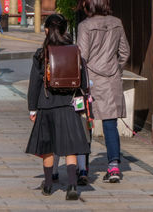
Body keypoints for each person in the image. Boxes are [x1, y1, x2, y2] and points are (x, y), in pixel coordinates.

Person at [25, 14, 90, 200]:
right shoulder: (75, 52)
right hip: (69, 105)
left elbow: (34, 85)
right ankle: (71, 185)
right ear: (64, 31)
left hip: (46, 105)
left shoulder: (41, 54)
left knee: (47, 147)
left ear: (47, 30)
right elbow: (83, 83)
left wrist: (32, 108)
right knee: (70, 147)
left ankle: (47, 184)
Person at [76, 0, 130, 183]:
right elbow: (124, 52)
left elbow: (81, 57)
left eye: (83, 0)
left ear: (90, 2)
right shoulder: (117, 23)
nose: (81, 4)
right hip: (111, 80)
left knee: (85, 125)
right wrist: (116, 69)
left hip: (90, 82)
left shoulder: (85, 26)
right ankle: (114, 166)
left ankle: (83, 169)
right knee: (110, 125)